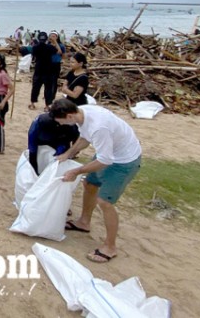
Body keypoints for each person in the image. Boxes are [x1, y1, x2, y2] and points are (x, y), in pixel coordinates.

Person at [51, 99, 142, 263]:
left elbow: (105, 161)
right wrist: (69, 153)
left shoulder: (99, 127)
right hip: (108, 153)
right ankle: (84, 222)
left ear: (70, 116)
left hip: (123, 161)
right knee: (89, 184)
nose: (63, 125)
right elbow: (84, 138)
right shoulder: (82, 112)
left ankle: (110, 247)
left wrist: (77, 171)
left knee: (104, 202)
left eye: (62, 122)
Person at [29, 32, 57, 111]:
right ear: (46, 39)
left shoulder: (35, 47)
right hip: (48, 70)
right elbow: (57, 51)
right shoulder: (50, 47)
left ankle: (32, 104)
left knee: (35, 88)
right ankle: (47, 106)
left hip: (38, 69)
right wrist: (54, 41)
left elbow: (33, 56)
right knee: (48, 89)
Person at [47, 31, 65, 103]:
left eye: (54, 36)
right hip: (48, 64)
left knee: (54, 80)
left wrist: (55, 43)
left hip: (56, 64)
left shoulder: (60, 45)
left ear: (57, 37)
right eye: (51, 36)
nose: (52, 38)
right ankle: (48, 94)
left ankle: (52, 96)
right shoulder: (48, 45)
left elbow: (60, 53)